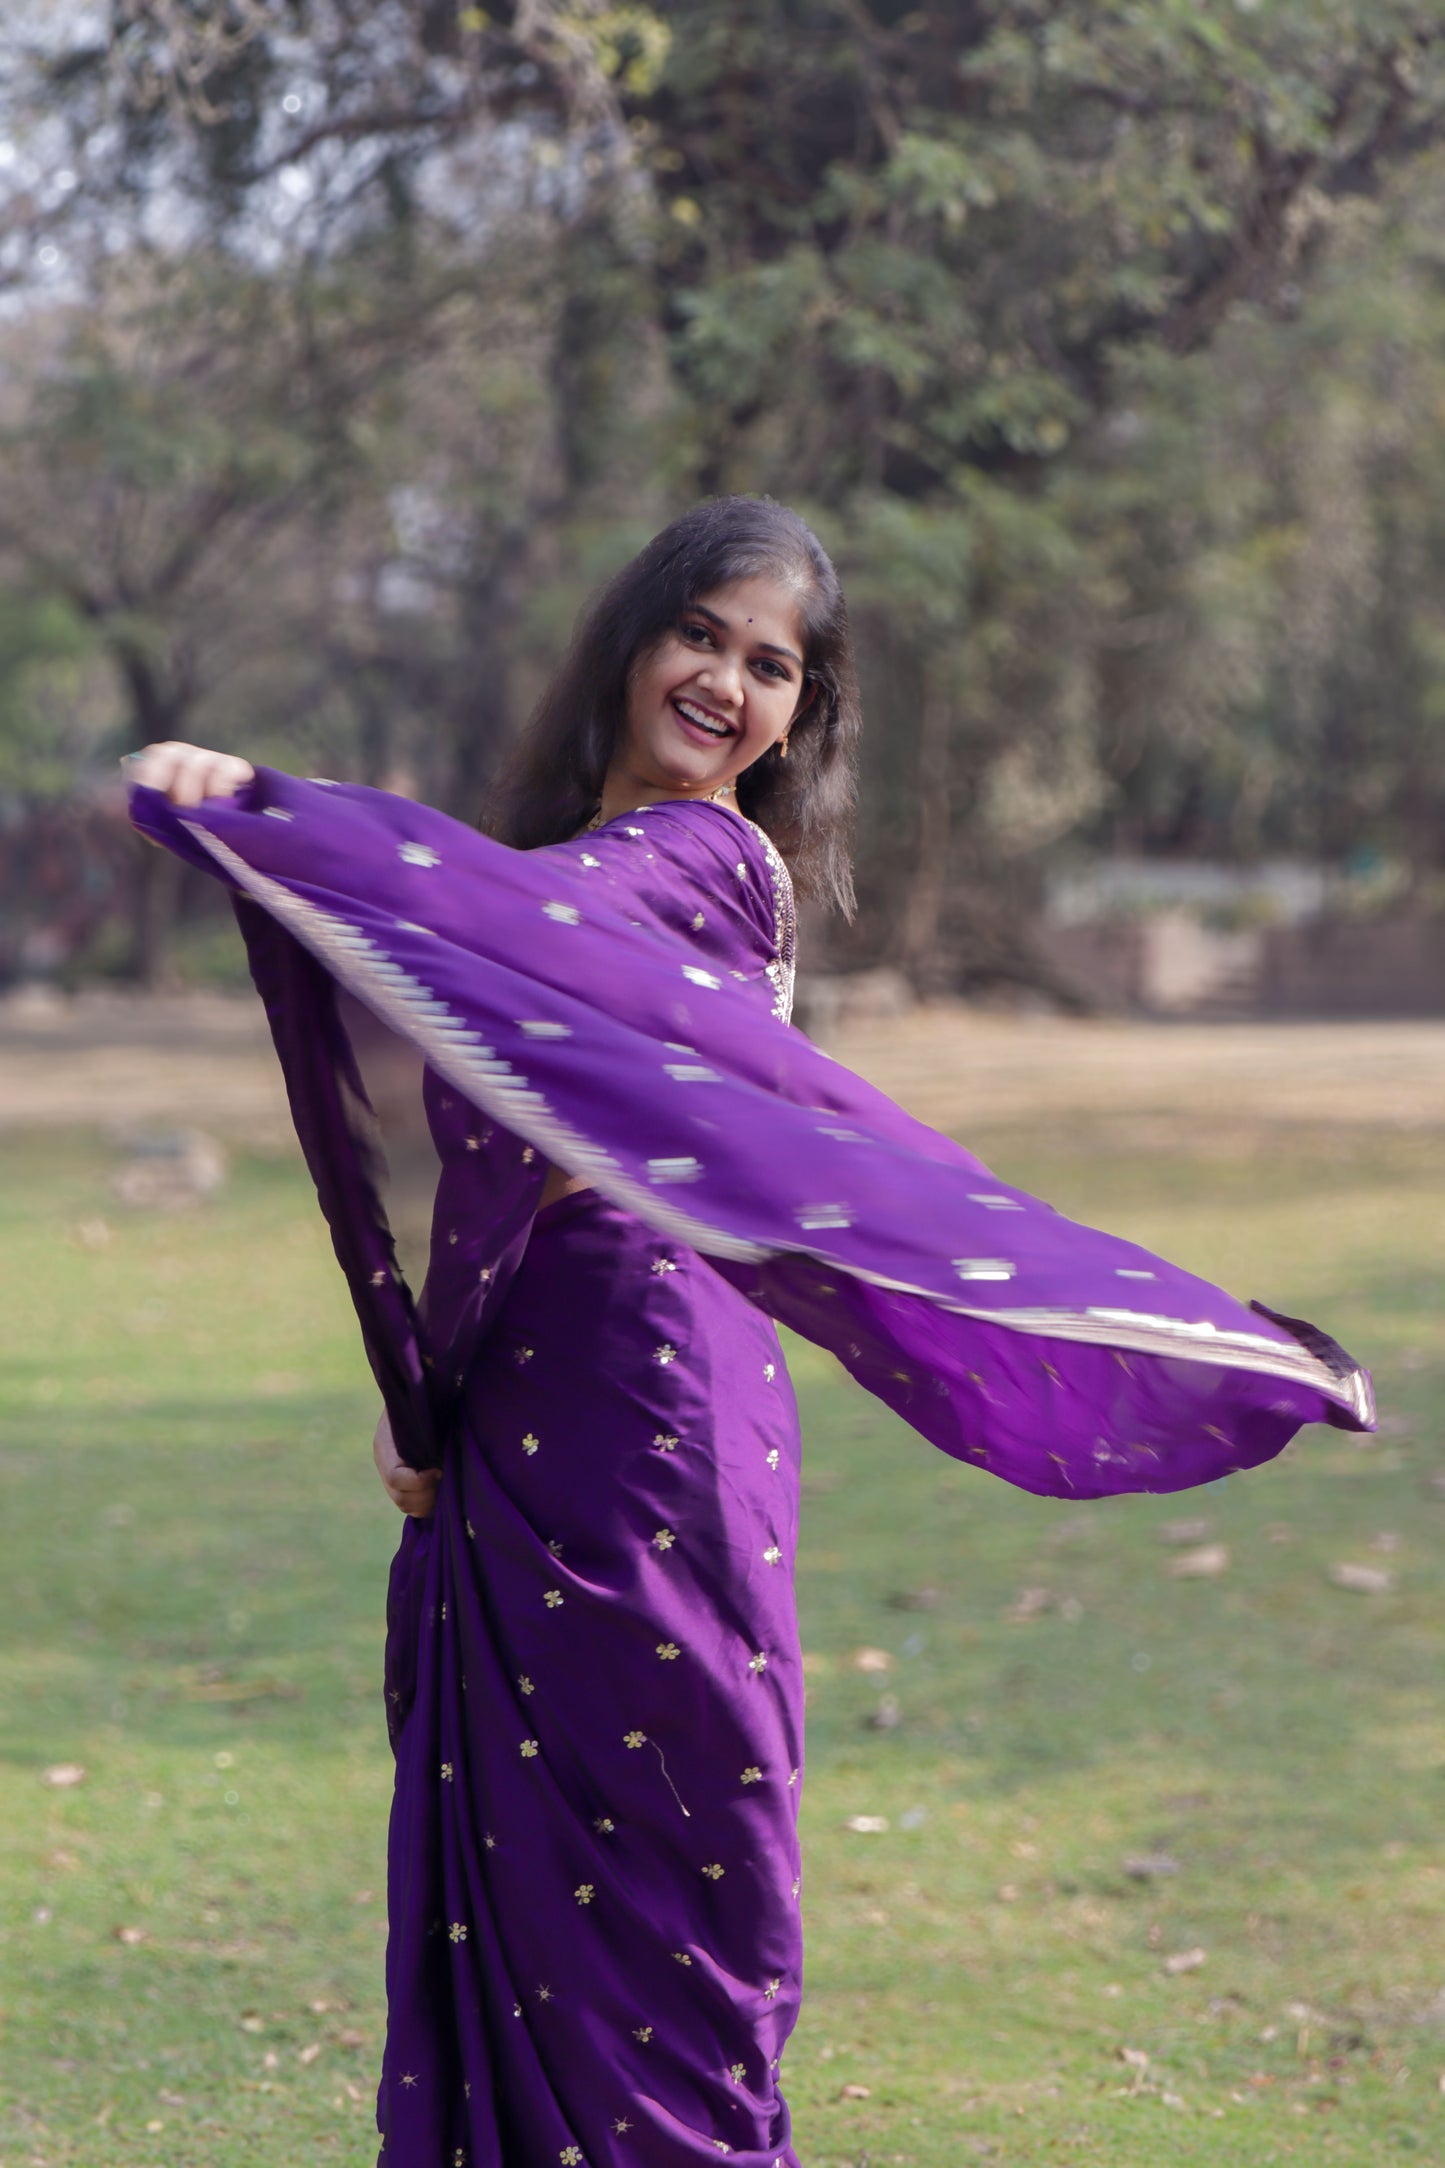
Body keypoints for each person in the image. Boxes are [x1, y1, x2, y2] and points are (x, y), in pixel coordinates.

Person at [126, 495, 1371, 2168]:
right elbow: (477, 1087)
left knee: (664, 1903)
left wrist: (282, 820)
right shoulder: (556, 876)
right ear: (631, 641)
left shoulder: (705, 865)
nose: (726, 680)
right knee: (524, 1899)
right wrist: (425, 1396)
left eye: (770, 664)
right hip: (526, 1415)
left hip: (652, 1419)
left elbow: (513, 936)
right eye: (700, 636)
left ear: (801, 717)